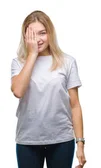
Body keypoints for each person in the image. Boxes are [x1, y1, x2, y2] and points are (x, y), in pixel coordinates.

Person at [11, 10, 87, 168]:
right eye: (32, 34)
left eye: (42, 33)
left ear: (50, 33)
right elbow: (18, 91)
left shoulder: (67, 62)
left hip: (61, 140)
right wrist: (32, 55)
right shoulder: (18, 63)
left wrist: (80, 143)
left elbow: (75, 105)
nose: (38, 39)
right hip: (28, 140)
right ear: (25, 37)